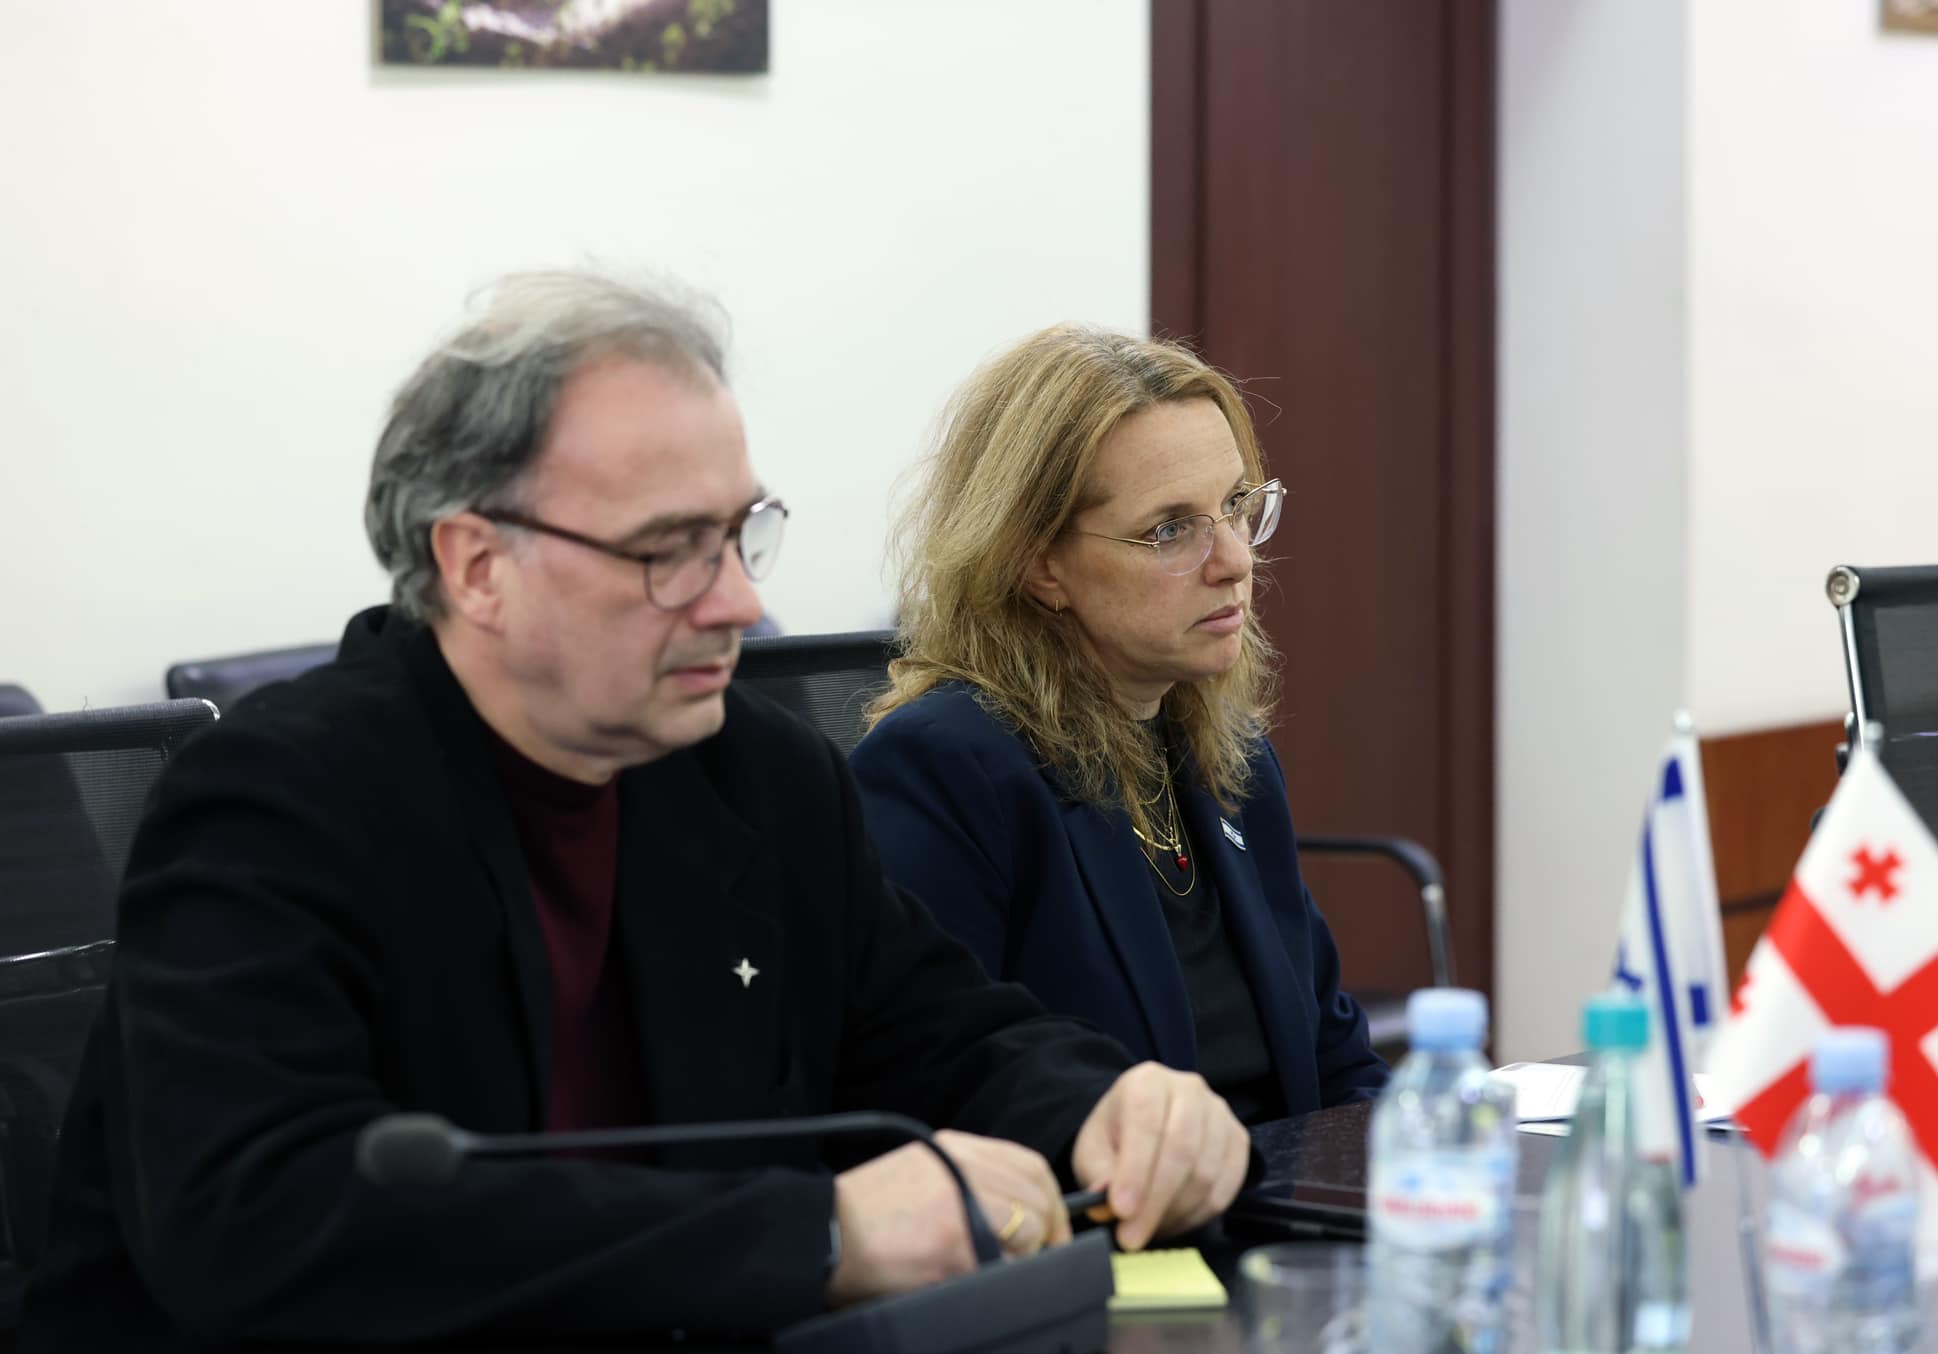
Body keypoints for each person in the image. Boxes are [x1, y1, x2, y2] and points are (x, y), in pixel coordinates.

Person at [22, 275, 1249, 1349]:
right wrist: (815, 1232)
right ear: (477, 566)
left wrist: (1109, 1102)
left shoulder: (757, 778)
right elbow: (260, 1215)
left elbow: (942, 1033)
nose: (736, 603)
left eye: (739, 534)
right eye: (669, 550)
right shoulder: (278, 802)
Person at [851, 325, 1389, 1126]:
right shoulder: (946, 771)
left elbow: (1337, 1057)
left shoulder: (1228, 755)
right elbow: (929, 1099)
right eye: (1171, 529)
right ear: (1039, 563)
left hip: (1282, 1198)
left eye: (1235, 507)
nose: (1235, 561)